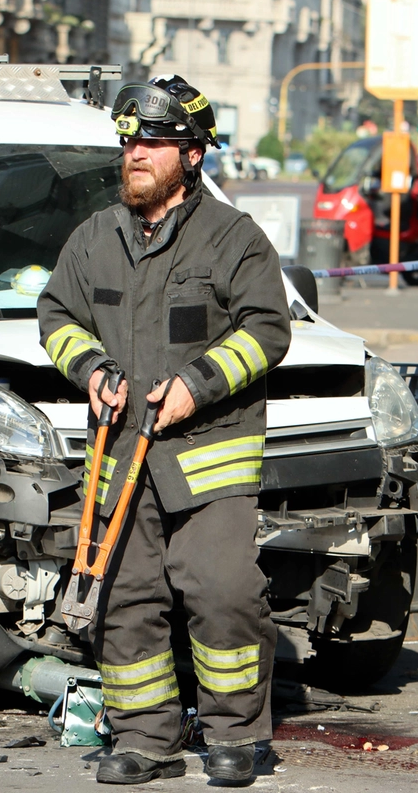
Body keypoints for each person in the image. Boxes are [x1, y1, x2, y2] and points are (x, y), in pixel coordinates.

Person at [37, 75, 291, 785]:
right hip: (121, 455)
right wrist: (88, 367)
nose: (134, 154)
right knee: (123, 596)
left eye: (151, 141)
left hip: (206, 457)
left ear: (192, 154)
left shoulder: (233, 238)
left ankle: (237, 735)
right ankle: (148, 738)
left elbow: (268, 329)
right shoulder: (97, 238)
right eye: (128, 141)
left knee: (221, 588)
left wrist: (195, 385)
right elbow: (56, 314)